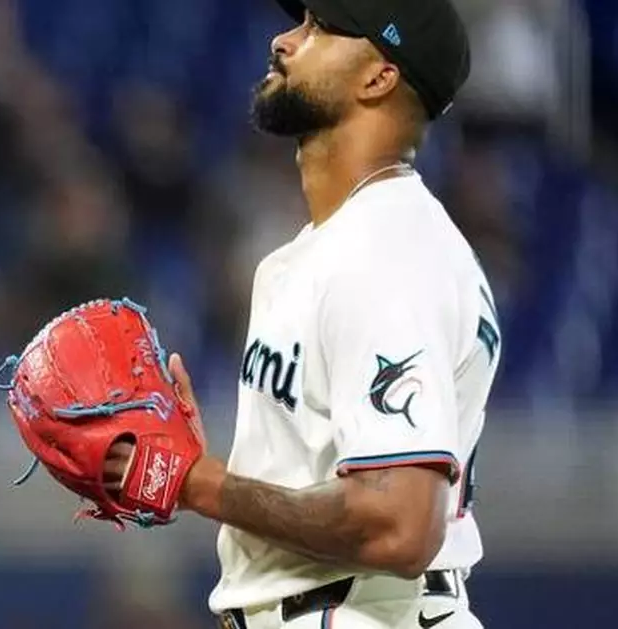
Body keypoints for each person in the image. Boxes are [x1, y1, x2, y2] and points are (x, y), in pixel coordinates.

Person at [105, 0, 499, 627]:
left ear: (379, 76)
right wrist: (217, 469)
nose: (284, 41)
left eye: (320, 28)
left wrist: (201, 484)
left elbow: (398, 525)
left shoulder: (387, 250)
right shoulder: (329, 249)